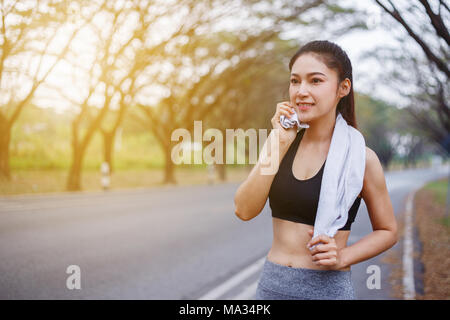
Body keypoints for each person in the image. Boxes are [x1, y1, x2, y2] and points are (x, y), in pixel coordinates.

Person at [234, 40, 398, 300]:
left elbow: (388, 231)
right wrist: (279, 142)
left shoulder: (361, 159)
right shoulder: (279, 144)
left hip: (328, 291)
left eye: (315, 81)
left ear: (343, 88)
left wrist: (343, 256)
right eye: (295, 81)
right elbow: (244, 209)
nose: (301, 91)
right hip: (271, 288)